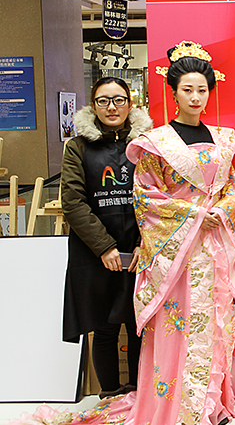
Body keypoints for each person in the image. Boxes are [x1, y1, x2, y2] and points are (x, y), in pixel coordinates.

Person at [123, 41, 235, 425]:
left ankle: (211, 406)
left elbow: (232, 188)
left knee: (215, 323)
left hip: (213, 247)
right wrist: (194, 214)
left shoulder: (222, 139)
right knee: (179, 326)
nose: (196, 97)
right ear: (173, 92)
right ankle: (179, 409)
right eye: (187, 89)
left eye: (202, 89)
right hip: (177, 252)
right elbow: (145, 196)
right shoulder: (157, 143)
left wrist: (220, 211)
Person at [61, 77, 152, 398]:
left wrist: (146, 243)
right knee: (104, 328)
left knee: (139, 325)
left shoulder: (147, 144)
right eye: (103, 100)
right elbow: (73, 201)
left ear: (130, 103)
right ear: (93, 105)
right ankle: (110, 395)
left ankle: (138, 397)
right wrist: (105, 247)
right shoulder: (77, 147)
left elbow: (158, 198)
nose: (111, 107)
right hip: (95, 251)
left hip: (140, 249)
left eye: (118, 100)